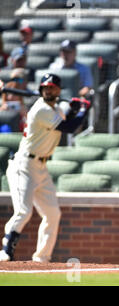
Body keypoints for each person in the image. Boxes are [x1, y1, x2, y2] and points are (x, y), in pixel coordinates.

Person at [0, 73, 92, 263]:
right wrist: (83, 111)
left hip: (41, 167)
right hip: (23, 165)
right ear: (41, 90)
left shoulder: (56, 109)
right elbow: (68, 128)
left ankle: (42, 257)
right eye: (45, 87)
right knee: (23, 212)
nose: (48, 90)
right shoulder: (40, 109)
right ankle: (5, 250)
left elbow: (65, 122)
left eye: (52, 88)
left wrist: (74, 110)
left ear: (58, 90)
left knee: (52, 214)